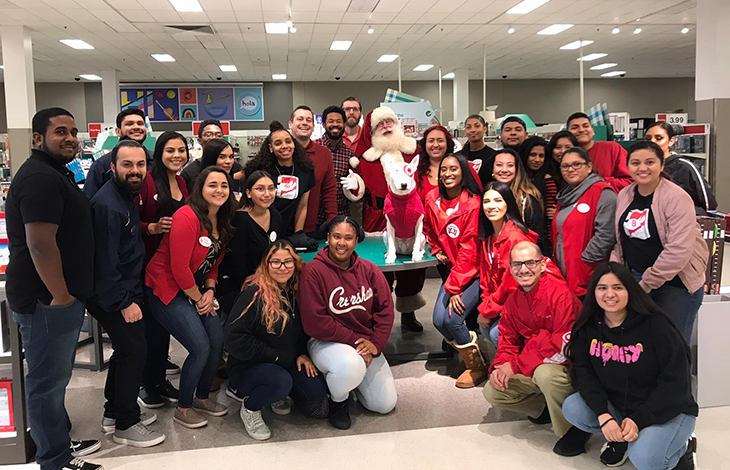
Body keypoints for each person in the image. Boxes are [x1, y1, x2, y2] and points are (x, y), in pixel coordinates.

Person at [6, 107, 102, 470]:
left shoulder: (52, 173)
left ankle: (58, 438)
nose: (71, 137)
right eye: (60, 131)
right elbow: (40, 244)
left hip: (56, 297)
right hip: (46, 299)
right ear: (37, 138)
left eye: (74, 131)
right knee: (47, 381)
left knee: (56, 376)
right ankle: (54, 459)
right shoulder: (39, 179)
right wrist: (60, 296)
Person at [562, 262, 698, 468]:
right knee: (573, 408)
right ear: (593, 292)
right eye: (602, 288)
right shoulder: (588, 327)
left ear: (630, 290)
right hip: (620, 406)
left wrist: (638, 419)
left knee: (646, 459)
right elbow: (584, 373)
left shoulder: (656, 326)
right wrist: (604, 416)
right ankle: (621, 439)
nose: (610, 294)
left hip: (667, 408)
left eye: (618, 287)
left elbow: (675, 384)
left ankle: (682, 448)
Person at [86, 140, 165, 448]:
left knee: (127, 352)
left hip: (126, 289)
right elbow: (104, 262)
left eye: (140, 165)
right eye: (127, 165)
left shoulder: (126, 196)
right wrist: (124, 303)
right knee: (134, 352)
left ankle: (113, 412)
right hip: (113, 295)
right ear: (112, 168)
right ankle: (125, 423)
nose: (135, 171)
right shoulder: (107, 204)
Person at [144, 167, 236, 428]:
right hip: (166, 288)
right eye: (212, 185)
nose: (219, 190)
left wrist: (209, 290)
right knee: (200, 347)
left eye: (224, 185)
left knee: (217, 341)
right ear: (200, 189)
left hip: (196, 290)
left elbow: (213, 262)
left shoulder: (222, 219)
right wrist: (199, 298)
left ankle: (202, 398)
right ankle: (183, 408)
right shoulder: (186, 216)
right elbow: (179, 267)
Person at [483, 241, 582, 457]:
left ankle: (573, 430)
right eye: (517, 264)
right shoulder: (513, 301)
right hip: (533, 361)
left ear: (542, 265)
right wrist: (500, 366)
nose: (524, 269)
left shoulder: (560, 295)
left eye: (530, 262)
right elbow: (507, 341)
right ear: (510, 268)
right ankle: (544, 408)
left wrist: (517, 364)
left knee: (545, 374)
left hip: (568, 364)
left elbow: (561, 343)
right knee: (493, 390)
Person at [299, 216, 397, 430]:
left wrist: (375, 345)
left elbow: (385, 311)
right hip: (326, 342)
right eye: (336, 237)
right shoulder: (313, 271)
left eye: (348, 238)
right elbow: (315, 322)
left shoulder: (370, 270)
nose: (341, 243)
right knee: (349, 365)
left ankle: (346, 381)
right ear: (327, 238)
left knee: (384, 404)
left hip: (365, 344)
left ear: (356, 241)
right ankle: (338, 401)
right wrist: (358, 343)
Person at [225, 240, 329, 440]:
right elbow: (234, 338)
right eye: (276, 262)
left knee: (318, 403)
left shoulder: (296, 291)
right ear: (266, 264)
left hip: (286, 360)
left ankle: (277, 393)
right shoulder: (253, 293)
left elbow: (300, 331)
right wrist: (273, 356)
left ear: (295, 263)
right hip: (250, 366)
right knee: (280, 381)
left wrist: (302, 354)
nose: (283, 268)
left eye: (288, 262)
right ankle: (250, 408)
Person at [611, 141, 708, 342]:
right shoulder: (625, 195)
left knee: (672, 345)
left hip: (676, 283)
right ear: (628, 166)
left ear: (661, 165)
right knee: (643, 344)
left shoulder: (677, 198)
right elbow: (620, 242)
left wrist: (646, 283)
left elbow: (678, 250)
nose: (642, 168)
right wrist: (615, 273)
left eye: (649, 162)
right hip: (638, 278)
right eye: (635, 163)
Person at [343, 106, 426, 332]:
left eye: (390, 121)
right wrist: (355, 186)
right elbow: (360, 190)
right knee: (378, 269)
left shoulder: (412, 153)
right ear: (372, 131)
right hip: (377, 217)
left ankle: (408, 311)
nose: (387, 126)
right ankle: (378, 314)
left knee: (411, 268)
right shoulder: (366, 160)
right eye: (381, 124)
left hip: (409, 215)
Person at [137, 130, 190, 409]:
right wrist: (152, 228)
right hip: (146, 265)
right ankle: (148, 383)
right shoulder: (147, 181)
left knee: (162, 328)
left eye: (181, 150)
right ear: (159, 153)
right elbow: (129, 220)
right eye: (170, 150)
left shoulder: (182, 180)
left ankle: (158, 380)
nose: (176, 155)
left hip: (171, 266)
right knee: (150, 329)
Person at [424, 153, 486, 388]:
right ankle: (468, 354)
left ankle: (476, 366)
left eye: (453, 169)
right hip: (455, 272)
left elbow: (470, 252)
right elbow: (428, 226)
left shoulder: (472, 204)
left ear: (463, 173)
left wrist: (455, 288)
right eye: (444, 170)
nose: (447, 174)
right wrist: (435, 247)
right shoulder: (432, 198)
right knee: (439, 322)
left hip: (476, 272)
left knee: (452, 319)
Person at [477, 182, 538, 346]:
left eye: (498, 200)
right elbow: (485, 277)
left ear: (508, 204)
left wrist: (488, 310)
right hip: (503, 302)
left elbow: (511, 286)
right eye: (486, 201)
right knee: (485, 328)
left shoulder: (515, 238)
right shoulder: (488, 237)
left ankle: (516, 368)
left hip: (523, 302)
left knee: (498, 333)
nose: (491, 206)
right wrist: (486, 304)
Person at [553, 147, 617, 298]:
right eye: (565, 166)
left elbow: (606, 235)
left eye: (576, 164)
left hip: (588, 274)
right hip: (566, 271)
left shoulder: (603, 192)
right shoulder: (566, 195)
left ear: (589, 167)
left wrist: (584, 261)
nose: (571, 169)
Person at [217, 170, 283, 318]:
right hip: (241, 286)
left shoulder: (276, 216)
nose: (267, 194)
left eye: (271, 188)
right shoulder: (240, 219)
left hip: (268, 282)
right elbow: (237, 265)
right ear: (248, 193)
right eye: (260, 189)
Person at [244, 121, 315, 238]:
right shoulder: (260, 170)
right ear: (271, 148)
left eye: (288, 141)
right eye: (278, 143)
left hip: (288, 232)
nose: (285, 146)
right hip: (260, 230)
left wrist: (298, 234)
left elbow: (302, 205)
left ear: (294, 144)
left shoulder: (306, 170)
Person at [644, 121, 717, 215]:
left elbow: (709, 204)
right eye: (648, 138)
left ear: (671, 141)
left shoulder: (685, 167)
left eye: (659, 138)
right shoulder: (642, 168)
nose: (652, 142)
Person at [289, 105, 338, 236]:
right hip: (280, 225)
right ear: (291, 124)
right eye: (300, 119)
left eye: (308, 120)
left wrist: (333, 221)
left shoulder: (324, 154)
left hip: (311, 227)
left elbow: (329, 190)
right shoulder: (281, 152)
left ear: (313, 126)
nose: (304, 123)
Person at [84, 108, 153, 198]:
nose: (136, 127)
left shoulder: (156, 160)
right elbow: (89, 199)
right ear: (118, 132)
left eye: (140, 123)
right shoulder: (102, 165)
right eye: (129, 124)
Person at [491, 148, 548, 255]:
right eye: (499, 165)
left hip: (522, 259)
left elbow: (537, 237)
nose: (504, 170)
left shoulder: (528, 200)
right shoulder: (489, 196)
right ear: (492, 169)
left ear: (517, 169)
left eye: (510, 165)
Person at [566, 112, 631, 192]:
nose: (581, 130)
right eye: (575, 127)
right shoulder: (564, 155)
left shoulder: (613, 149)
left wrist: (598, 182)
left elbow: (631, 181)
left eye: (585, 126)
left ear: (592, 131)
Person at [181, 119, 244, 193]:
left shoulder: (234, 167)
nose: (214, 138)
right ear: (199, 140)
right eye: (208, 135)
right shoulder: (189, 172)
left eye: (218, 135)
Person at [316, 105, 354, 218]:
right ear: (323, 124)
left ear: (344, 125)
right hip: (316, 213)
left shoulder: (349, 154)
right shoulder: (314, 148)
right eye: (331, 121)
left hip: (341, 213)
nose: (335, 125)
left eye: (339, 121)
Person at [520, 136, 558, 244]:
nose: (537, 160)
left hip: (542, 238)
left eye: (541, 156)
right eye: (532, 155)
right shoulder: (517, 178)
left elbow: (549, 216)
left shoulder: (548, 180)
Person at [415, 125, 455, 203]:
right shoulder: (415, 172)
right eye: (431, 141)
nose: (435, 145)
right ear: (425, 145)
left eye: (440, 140)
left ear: (447, 144)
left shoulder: (461, 168)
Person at [459, 114, 497, 187]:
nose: (473, 130)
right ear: (465, 131)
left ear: (485, 129)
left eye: (477, 126)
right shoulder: (459, 156)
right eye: (468, 127)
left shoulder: (493, 155)